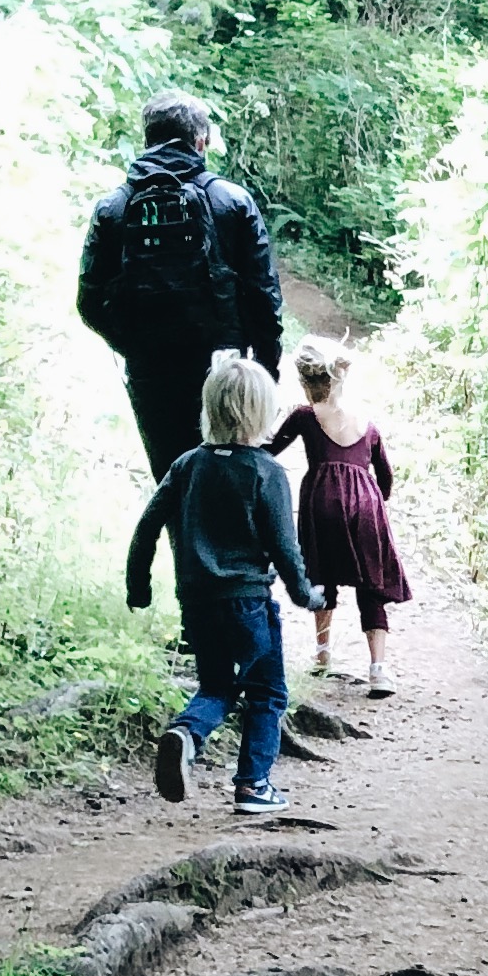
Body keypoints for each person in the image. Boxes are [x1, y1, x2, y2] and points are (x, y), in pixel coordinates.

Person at [124, 352, 320, 821]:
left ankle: (187, 737)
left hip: (196, 603)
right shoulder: (266, 472)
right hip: (247, 603)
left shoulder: (189, 464)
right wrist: (304, 594)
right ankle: (250, 782)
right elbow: (284, 547)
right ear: (263, 413)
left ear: (210, 407)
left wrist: (139, 584)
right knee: (267, 693)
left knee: (216, 684)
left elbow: (148, 525)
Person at [75, 96, 287, 483]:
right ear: (201, 141)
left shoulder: (114, 209)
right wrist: (266, 371)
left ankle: (185, 545)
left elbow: (89, 301)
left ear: (147, 140)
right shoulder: (232, 201)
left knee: (175, 485)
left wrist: (135, 345)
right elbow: (264, 297)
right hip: (225, 371)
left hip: (151, 372)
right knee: (233, 484)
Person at [275, 340, 412, 697]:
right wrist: (369, 502)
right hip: (367, 507)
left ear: (307, 383)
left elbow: (269, 449)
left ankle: (322, 655)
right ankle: (378, 669)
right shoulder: (367, 424)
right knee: (372, 586)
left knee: (322, 575)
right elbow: (386, 479)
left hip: (321, 505)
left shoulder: (305, 416)